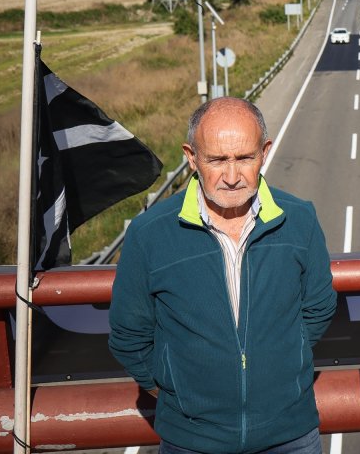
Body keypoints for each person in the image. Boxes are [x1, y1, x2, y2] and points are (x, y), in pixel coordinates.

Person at [109, 97, 337, 454]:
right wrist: (179, 389)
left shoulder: (300, 220)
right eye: (216, 160)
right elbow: (129, 335)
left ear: (265, 152)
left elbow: (318, 309)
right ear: (191, 157)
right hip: (192, 442)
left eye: (245, 158)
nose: (232, 177)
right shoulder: (149, 233)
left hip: (291, 436)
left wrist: (281, 362)